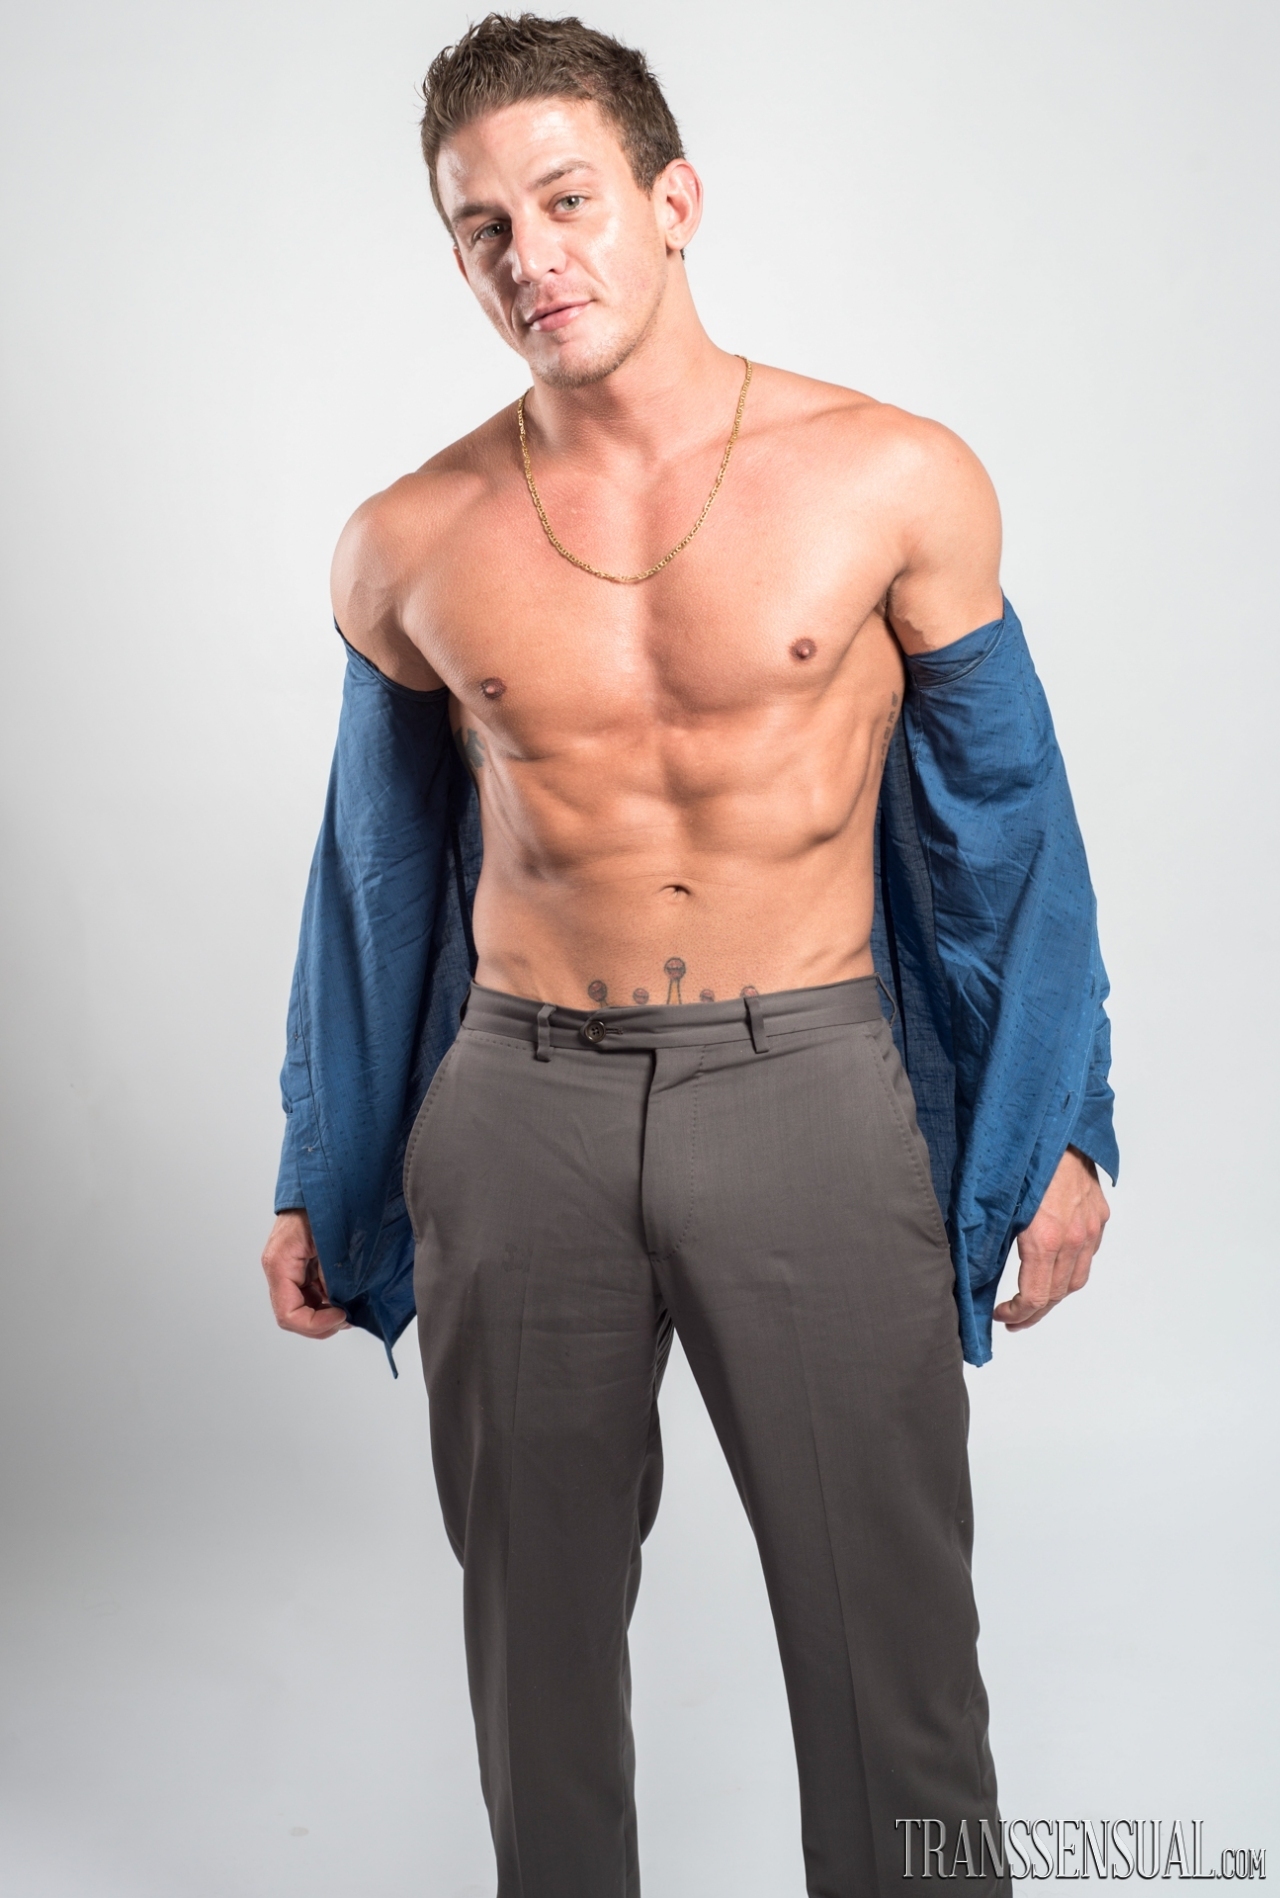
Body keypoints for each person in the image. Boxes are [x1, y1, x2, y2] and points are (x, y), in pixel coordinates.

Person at [260, 15, 1116, 1897]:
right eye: (483, 226)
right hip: (519, 1107)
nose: (530, 255)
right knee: (537, 1656)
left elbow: (1010, 831)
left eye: (566, 200)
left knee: (894, 1659)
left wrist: (1069, 1120)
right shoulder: (404, 541)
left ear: (673, 201)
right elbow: (371, 886)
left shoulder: (893, 478)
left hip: (804, 1083)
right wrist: (321, 1167)